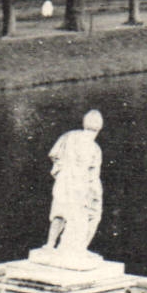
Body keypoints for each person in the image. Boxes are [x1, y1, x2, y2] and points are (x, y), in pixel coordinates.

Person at [41, 109, 105, 264]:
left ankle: (50, 245)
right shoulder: (94, 148)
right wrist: (96, 193)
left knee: (60, 212)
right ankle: (81, 248)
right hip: (81, 185)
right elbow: (92, 176)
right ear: (100, 127)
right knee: (93, 214)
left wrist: (63, 171)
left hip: (64, 182)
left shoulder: (68, 136)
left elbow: (54, 155)